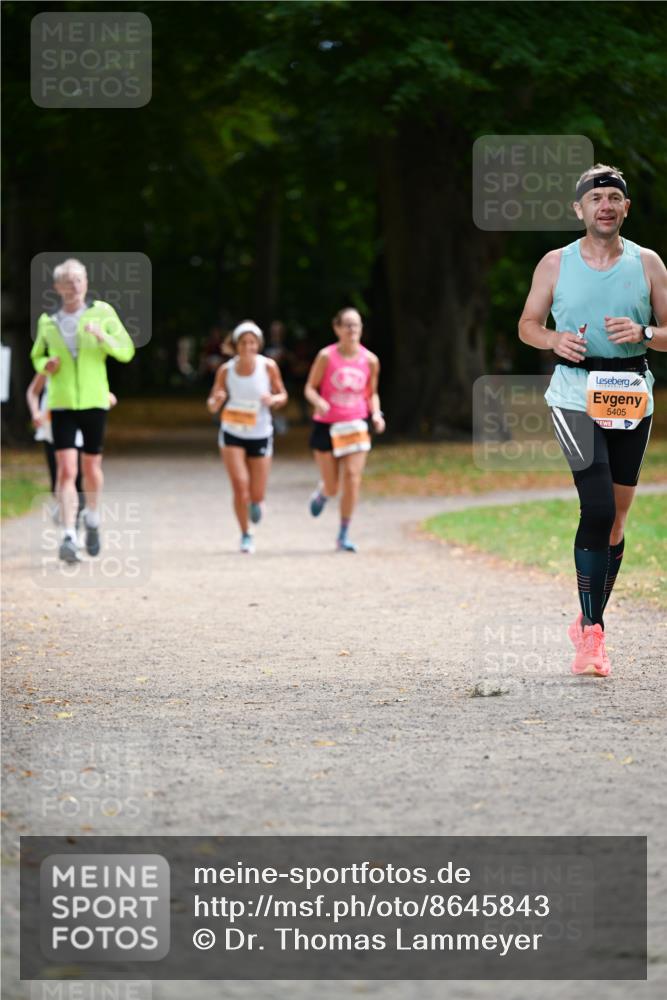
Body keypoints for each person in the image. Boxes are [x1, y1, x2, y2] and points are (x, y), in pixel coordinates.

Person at [518, 164, 667, 676]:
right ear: (578, 209)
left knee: (618, 519)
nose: (604, 205)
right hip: (573, 394)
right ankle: (592, 632)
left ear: (626, 208)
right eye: (595, 198)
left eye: (613, 198)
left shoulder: (648, 263)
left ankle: (587, 625)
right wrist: (554, 339)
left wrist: (646, 332)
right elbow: (527, 325)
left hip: (629, 393)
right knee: (598, 506)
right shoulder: (554, 264)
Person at [30, 258, 135, 563]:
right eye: (68, 281)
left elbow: (126, 351)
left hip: (94, 402)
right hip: (61, 403)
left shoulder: (102, 312)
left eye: (79, 279)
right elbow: (36, 356)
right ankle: (68, 535)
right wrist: (45, 365)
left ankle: (92, 517)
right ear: (58, 287)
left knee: (91, 469)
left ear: (86, 283)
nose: (75, 285)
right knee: (66, 470)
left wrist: (103, 337)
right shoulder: (48, 322)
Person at [304, 307, 386, 552]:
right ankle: (323, 493)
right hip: (327, 425)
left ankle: (343, 533)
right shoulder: (326, 357)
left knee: (352, 478)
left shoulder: (370, 360)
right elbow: (310, 387)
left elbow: (372, 394)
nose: (352, 330)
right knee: (333, 486)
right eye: (347, 325)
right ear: (337, 328)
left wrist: (376, 414)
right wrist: (318, 401)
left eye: (356, 325)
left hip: (355, 424)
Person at [206, 320, 287, 554]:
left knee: (256, 492)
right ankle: (245, 534)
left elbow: (282, 394)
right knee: (240, 486)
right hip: (232, 432)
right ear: (236, 345)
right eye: (243, 342)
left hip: (260, 433)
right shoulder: (226, 370)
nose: (248, 347)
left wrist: (274, 400)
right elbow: (211, 405)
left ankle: (256, 502)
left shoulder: (268, 367)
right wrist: (217, 401)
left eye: (252, 343)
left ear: (258, 345)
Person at [26, 373, 117, 525]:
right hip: (50, 431)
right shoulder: (51, 365)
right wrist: (35, 412)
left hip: (78, 431)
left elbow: (98, 391)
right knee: (59, 474)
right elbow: (33, 391)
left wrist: (106, 398)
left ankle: (74, 523)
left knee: (76, 476)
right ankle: (65, 510)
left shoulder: (83, 371)